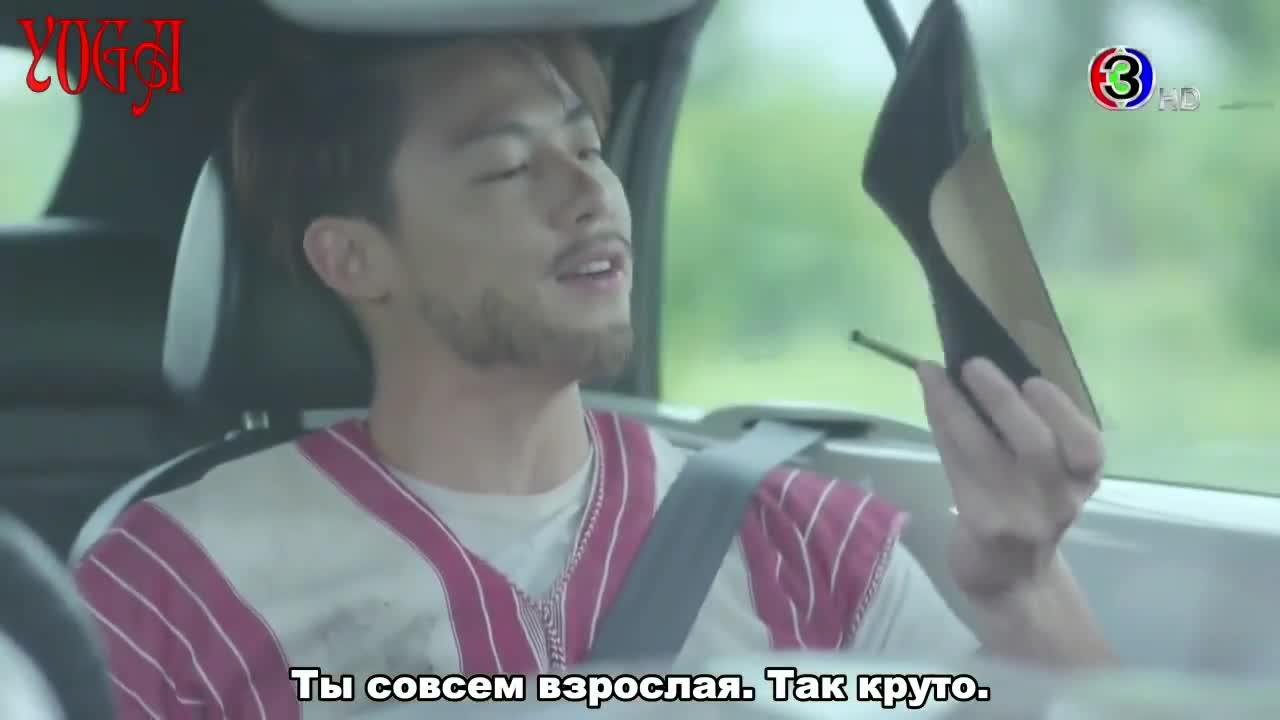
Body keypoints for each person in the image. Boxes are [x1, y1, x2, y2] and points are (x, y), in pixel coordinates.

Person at [73, 31, 1112, 719]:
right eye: (507, 166)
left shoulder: (806, 545)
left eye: (587, 147)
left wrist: (1021, 586)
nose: (588, 193)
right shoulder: (173, 580)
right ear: (352, 257)